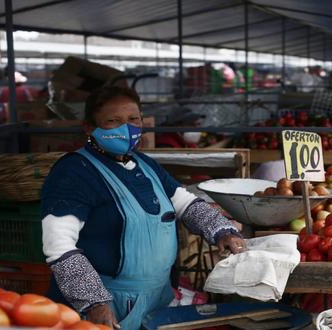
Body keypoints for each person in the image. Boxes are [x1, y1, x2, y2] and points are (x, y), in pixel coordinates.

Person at [41, 86, 246, 329]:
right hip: (103, 307)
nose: (126, 128)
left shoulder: (145, 164)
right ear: (89, 127)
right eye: (112, 121)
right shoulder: (73, 172)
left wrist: (221, 230)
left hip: (156, 299)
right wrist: (94, 303)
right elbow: (59, 246)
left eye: (133, 119)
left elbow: (185, 203)